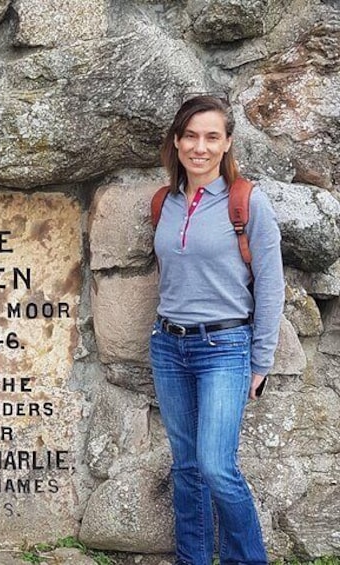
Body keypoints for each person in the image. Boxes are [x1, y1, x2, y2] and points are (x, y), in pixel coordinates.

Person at [150, 95, 284, 564]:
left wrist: (260, 360)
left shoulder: (247, 202)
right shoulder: (163, 202)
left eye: (211, 137)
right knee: (186, 467)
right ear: (176, 141)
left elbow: (270, 285)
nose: (199, 147)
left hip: (225, 348)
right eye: (190, 135)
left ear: (227, 143)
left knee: (216, 466)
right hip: (168, 346)